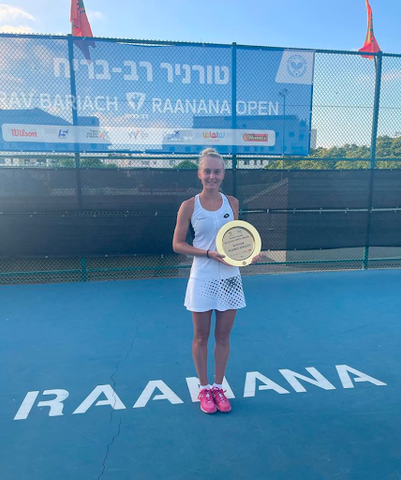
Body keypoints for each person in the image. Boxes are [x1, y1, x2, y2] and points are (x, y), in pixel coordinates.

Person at [172, 148, 263, 414]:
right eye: (207, 171)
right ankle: (204, 390)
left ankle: (219, 388)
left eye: (217, 171)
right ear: (200, 174)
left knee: (223, 337)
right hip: (202, 276)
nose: (212, 176)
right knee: (201, 337)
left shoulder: (232, 203)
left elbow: (236, 241)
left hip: (231, 278)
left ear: (223, 174)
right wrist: (208, 254)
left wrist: (248, 256)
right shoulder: (189, 206)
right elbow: (178, 244)